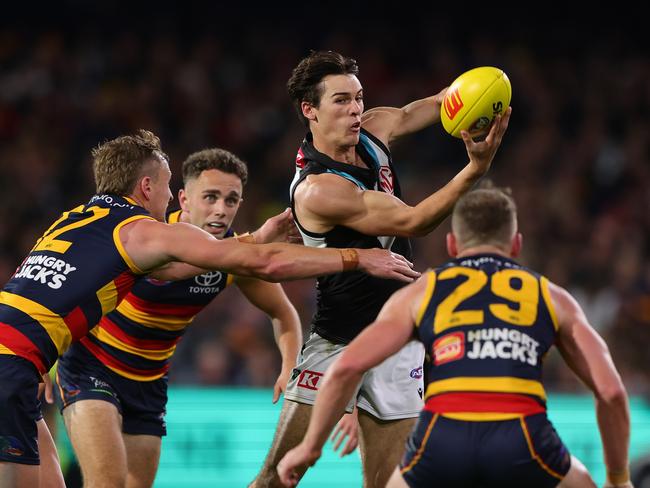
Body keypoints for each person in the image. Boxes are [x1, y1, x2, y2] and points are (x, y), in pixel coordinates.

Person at [0, 130, 418, 488]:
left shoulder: (74, 217)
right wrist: (357, 257)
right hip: (48, 365)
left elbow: (40, 290)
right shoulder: (148, 232)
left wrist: (38, 364)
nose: (168, 195)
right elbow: (261, 263)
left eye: (231, 199)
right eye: (167, 185)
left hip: (51, 365)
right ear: (149, 188)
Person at [252, 50, 511, 488]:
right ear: (309, 110)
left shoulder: (373, 128)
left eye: (358, 97)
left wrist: (480, 96)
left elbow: (423, 107)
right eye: (340, 100)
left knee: (389, 484)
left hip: (398, 340)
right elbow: (415, 222)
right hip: (339, 342)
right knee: (278, 479)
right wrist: (475, 170)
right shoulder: (319, 190)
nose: (355, 109)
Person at [277, 186, 633, 488]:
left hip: (442, 439)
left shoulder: (423, 292)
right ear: (516, 244)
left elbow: (347, 368)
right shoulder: (552, 297)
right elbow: (612, 392)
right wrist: (618, 478)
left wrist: (310, 446)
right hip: (523, 436)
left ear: (451, 244)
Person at [51, 147, 304, 488]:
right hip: (92, 366)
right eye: (210, 197)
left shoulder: (236, 258)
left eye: (231, 200)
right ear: (183, 199)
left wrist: (291, 365)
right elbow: (70, 288)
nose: (220, 209)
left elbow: (283, 313)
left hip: (148, 383)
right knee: (106, 482)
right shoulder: (148, 234)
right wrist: (40, 358)